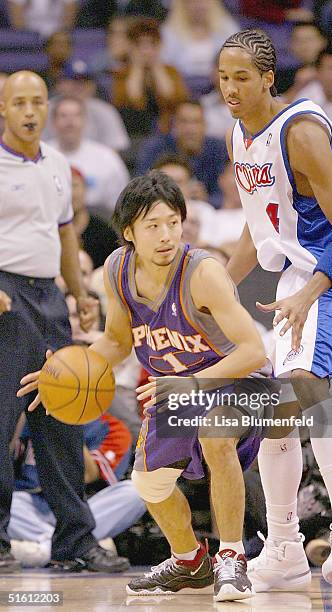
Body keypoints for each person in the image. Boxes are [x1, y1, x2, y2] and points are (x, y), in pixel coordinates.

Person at [18, 171, 274, 601]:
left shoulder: (203, 273)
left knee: (215, 436)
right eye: (153, 226)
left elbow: (252, 351)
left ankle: (231, 558)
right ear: (129, 232)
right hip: (179, 389)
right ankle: (191, 561)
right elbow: (118, 340)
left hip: (240, 381)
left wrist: (191, 383)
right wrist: (66, 372)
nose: (166, 235)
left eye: (173, 223)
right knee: (149, 485)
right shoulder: (118, 270)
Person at [218, 28, 332, 588]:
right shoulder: (239, 138)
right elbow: (259, 223)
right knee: (280, 413)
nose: (230, 89)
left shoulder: (301, 133)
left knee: (305, 388)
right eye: (223, 78)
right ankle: (286, 547)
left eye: (242, 78)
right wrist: (218, 285)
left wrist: (305, 293)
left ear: (268, 78)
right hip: (304, 270)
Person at [0, 70, 129, 573]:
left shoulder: (56, 163)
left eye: (38, 102)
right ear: (3, 109)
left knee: (63, 419)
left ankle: (75, 541)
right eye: (19, 103)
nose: (30, 112)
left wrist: (79, 293)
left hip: (48, 299)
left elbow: (65, 235)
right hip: (6, 297)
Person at [9, 412, 145, 567]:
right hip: (31, 509)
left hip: (79, 509)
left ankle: (40, 552)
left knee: (138, 490)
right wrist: (17, 418)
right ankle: (73, 548)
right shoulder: (29, 419)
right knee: (9, 501)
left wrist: (66, 426)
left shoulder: (112, 428)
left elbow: (87, 475)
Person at [50, 95, 130, 220]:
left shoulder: (108, 158)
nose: (70, 122)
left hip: (101, 225)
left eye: (76, 115)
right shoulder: (40, 156)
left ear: (85, 121)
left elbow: (121, 204)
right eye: (63, 116)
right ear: (53, 122)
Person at [136, 100, 229, 204]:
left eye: (196, 122)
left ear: (205, 126)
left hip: (212, 214)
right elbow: (141, 191)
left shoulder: (219, 150)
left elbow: (231, 193)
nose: (190, 129)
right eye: (184, 122)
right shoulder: (154, 149)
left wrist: (207, 200)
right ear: (174, 125)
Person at [113, 17, 188, 137]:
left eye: (152, 44)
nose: (146, 50)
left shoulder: (171, 72)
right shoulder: (121, 74)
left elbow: (173, 99)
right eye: (140, 44)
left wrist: (157, 67)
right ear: (131, 46)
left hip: (168, 133)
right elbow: (132, 103)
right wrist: (136, 67)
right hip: (133, 134)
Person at [43, 60, 131, 152]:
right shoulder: (44, 111)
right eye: (74, 81)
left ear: (93, 86)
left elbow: (115, 149)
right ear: (60, 84)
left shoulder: (105, 111)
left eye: (85, 81)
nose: (79, 86)